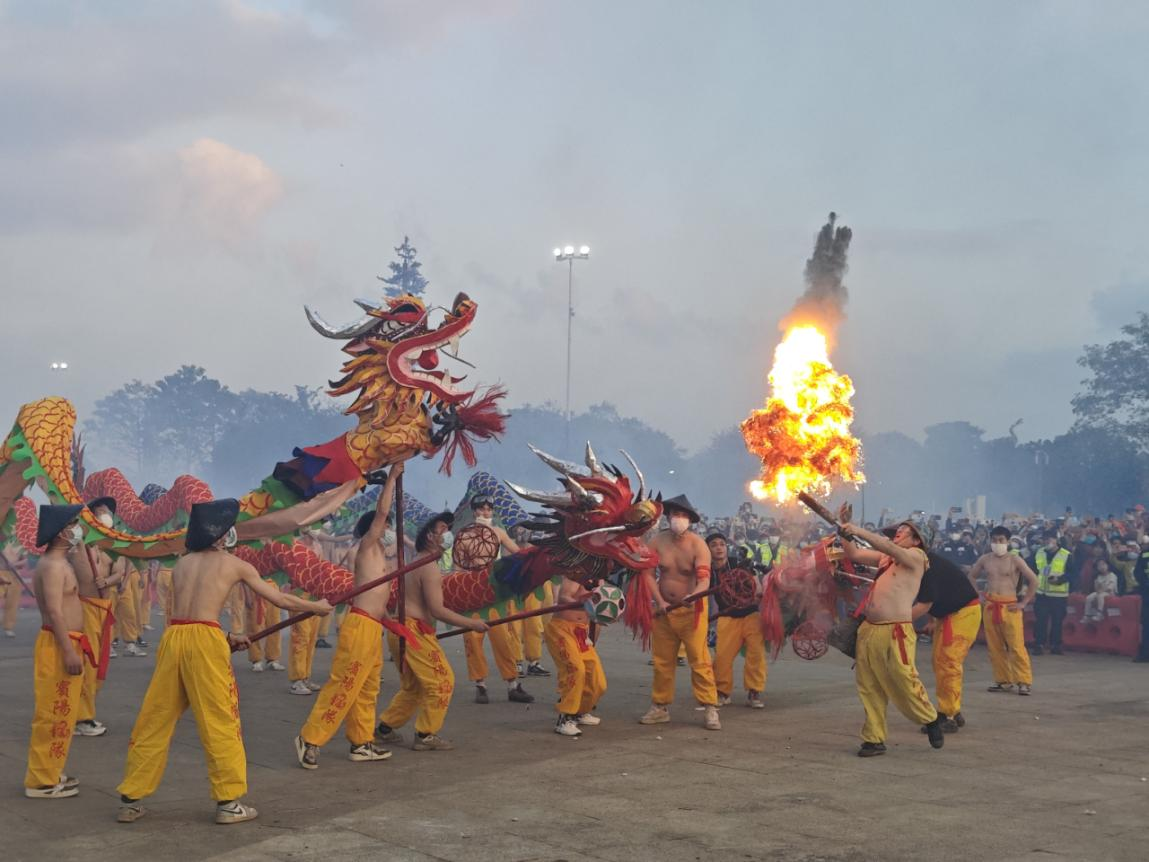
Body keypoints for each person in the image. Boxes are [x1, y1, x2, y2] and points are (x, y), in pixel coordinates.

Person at [116, 499, 332, 825]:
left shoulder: (184, 563)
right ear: (220, 534)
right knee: (220, 719)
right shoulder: (234, 564)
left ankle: (131, 797)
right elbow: (281, 599)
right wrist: (317, 607)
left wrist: (228, 639)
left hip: (176, 638)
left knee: (155, 717)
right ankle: (229, 802)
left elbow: (190, 614)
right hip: (204, 641)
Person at [296, 465, 404, 769]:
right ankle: (310, 738)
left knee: (368, 688)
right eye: (385, 526)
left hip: (374, 627)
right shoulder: (367, 546)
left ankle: (361, 742)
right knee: (344, 683)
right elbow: (381, 514)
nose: (388, 529)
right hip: (359, 624)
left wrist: (391, 620)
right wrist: (393, 479)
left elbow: (379, 598)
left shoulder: (381, 555)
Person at [374, 514, 489, 751]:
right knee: (442, 680)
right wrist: (471, 624)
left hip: (403, 629)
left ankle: (385, 729)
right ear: (430, 536)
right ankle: (425, 734)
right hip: (412, 631)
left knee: (414, 687)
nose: (448, 533)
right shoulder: (428, 567)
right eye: (442, 529)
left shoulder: (419, 562)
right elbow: (438, 610)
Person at [838, 514, 944, 757]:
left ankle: (930, 718)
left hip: (896, 630)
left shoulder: (917, 557)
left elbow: (885, 545)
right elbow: (854, 554)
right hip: (869, 629)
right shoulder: (887, 558)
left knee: (903, 679)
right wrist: (845, 535)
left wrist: (857, 530)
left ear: (917, 540)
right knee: (869, 684)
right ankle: (873, 739)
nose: (898, 532)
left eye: (905, 530)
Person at [24, 504, 93, 799]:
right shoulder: (52, 566)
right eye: (75, 523)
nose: (78, 528)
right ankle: (41, 782)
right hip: (58, 643)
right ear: (62, 531)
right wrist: (68, 651)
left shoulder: (61, 562)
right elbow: (54, 609)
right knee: (52, 714)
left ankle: (50, 771)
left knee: (61, 714)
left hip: (68, 640)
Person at [638, 495, 721, 731]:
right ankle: (659, 707)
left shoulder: (698, 545)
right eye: (676, 514)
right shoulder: (657, 541)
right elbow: (647, 575)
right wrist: (660, 601)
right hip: (663, 612)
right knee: (663, 662)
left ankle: (710, 708)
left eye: (684, 516)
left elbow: (704, 581)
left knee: (699, 660)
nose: (679, 519)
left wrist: (692, 596)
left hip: (691, 611)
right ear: (668, 516)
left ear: (690, 520)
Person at [461, 500, 535, 704]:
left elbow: (519, 554)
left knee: (504, 638)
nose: (485, 512)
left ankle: (513, 685)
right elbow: (461, 565)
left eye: (488, 509)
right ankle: (480, 686)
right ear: (474, 511)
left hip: (495, 592)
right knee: (473, 641)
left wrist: (530, 549)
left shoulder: (499, 532)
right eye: (481, 509)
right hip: (472, 591)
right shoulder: (465, 534)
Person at [68, 497, 128, 738]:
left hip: (105, 608)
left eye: (108, 512)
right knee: (87, 663)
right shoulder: (79, 542)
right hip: (84, 607)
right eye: (101, 511)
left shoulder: (113, 544)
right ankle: (81, 718)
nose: (106, 515)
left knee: (99, 664)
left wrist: (109, 581)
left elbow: (120, 571)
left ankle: (85, 712)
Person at [913, 547, 982, 731]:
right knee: (939, 662)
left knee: (948, 662)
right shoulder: (920, 564)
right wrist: (932, 620)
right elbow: (933, 594)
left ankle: (947, 715)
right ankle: (953, 708)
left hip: (963, 613)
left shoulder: (928, 565)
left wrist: (897, 621)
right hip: (948, 615)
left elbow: (925, 601)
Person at [970, 526, 1038, 696]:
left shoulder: (1015, 559)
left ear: (1007, 541)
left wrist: (1024, 603)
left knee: (1016, 646)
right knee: (995, 646)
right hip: (991, 606)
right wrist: (978, 595)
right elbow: (971, 576)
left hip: (1010, 606)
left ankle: (1023, 681)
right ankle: (1003, 680)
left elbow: (1034, 580)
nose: (997, 543)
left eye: (1001, 540)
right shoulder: (985, 559)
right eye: (994, 540)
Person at [707, 532, 766, 710]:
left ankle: (754, 692)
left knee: (756, 655)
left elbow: (757, 586)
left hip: (751, 615)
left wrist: (757, 593)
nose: (719, 548)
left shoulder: (738, 563)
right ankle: (723, 692)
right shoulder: (707, 570)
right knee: (723, 657)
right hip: (727, 617)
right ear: (708, 550)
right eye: (714, 545)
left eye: (722, 544)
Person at [544, 577, 606, 737]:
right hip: (562, 630)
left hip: (581, 632)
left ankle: (581, 712)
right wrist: (586, 599)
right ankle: (565, 718)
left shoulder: (600, 576)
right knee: (575, 670)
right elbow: (564, 597)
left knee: (597, 679)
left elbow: (598, 610)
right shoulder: (577, 571)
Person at [1030, 530, 1074, 655]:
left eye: (1050, 539)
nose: (1047, 541)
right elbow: (1032, 570)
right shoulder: (1038, 553)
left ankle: (1056, 645)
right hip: (1042, 593)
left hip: (1058, 594)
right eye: (1045, 539)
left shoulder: (1066, 555)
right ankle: (1039, 644)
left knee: (1057, 621)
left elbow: (1073, 574)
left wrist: (1059, 580)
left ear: (1057, 540)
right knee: (1040, 620)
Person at [1081, 558, 1117, 623]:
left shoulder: (1112, 575)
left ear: (1108, 565)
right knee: (1089, 597)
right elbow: (1096, 588)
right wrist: (1098, 589)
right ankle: (1087, 615)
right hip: (1099, 592)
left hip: (1110, 593)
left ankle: (1099, 613)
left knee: (1100, 596)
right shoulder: (1098, 577)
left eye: (1103, 564)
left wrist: (1101, 590)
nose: (1101, 567)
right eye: (1099, 565)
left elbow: (1110, 588)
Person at [1, 543, 26, 637]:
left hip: (15, 575)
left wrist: (15, 564)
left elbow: (24, 561)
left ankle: (8, 627)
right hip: (0, 573)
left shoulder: (20, 545)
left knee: (12, 603)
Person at [1133, 535, 1149, 664]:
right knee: (1146, 623)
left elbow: (1137, 573)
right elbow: (1137, 572)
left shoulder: (1144, 554)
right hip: (1147, 592)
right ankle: (1145, 653)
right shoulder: (1144, 555)